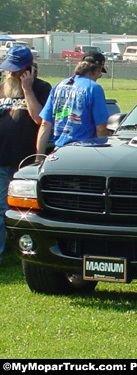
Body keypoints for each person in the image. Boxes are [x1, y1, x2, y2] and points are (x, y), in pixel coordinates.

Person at [0, 46, 52, 263]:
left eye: (16, 70)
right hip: (2, 158)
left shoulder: (41, 88)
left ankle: (28, 251)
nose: (11, 74)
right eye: (9, 70)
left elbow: (40, 120)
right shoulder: (3, 88)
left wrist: (27, 89)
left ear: (29, 70)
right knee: (1, 206)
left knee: (26, 208)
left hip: (25, 159)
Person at [36, 51, 110, 160]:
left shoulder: (58, 86)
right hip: (84, 152)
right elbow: (101, 128)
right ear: (97, 70)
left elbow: (45, 124)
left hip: (59, 151)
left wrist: (39, 157)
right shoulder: (94, 88)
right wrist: (105, 156)